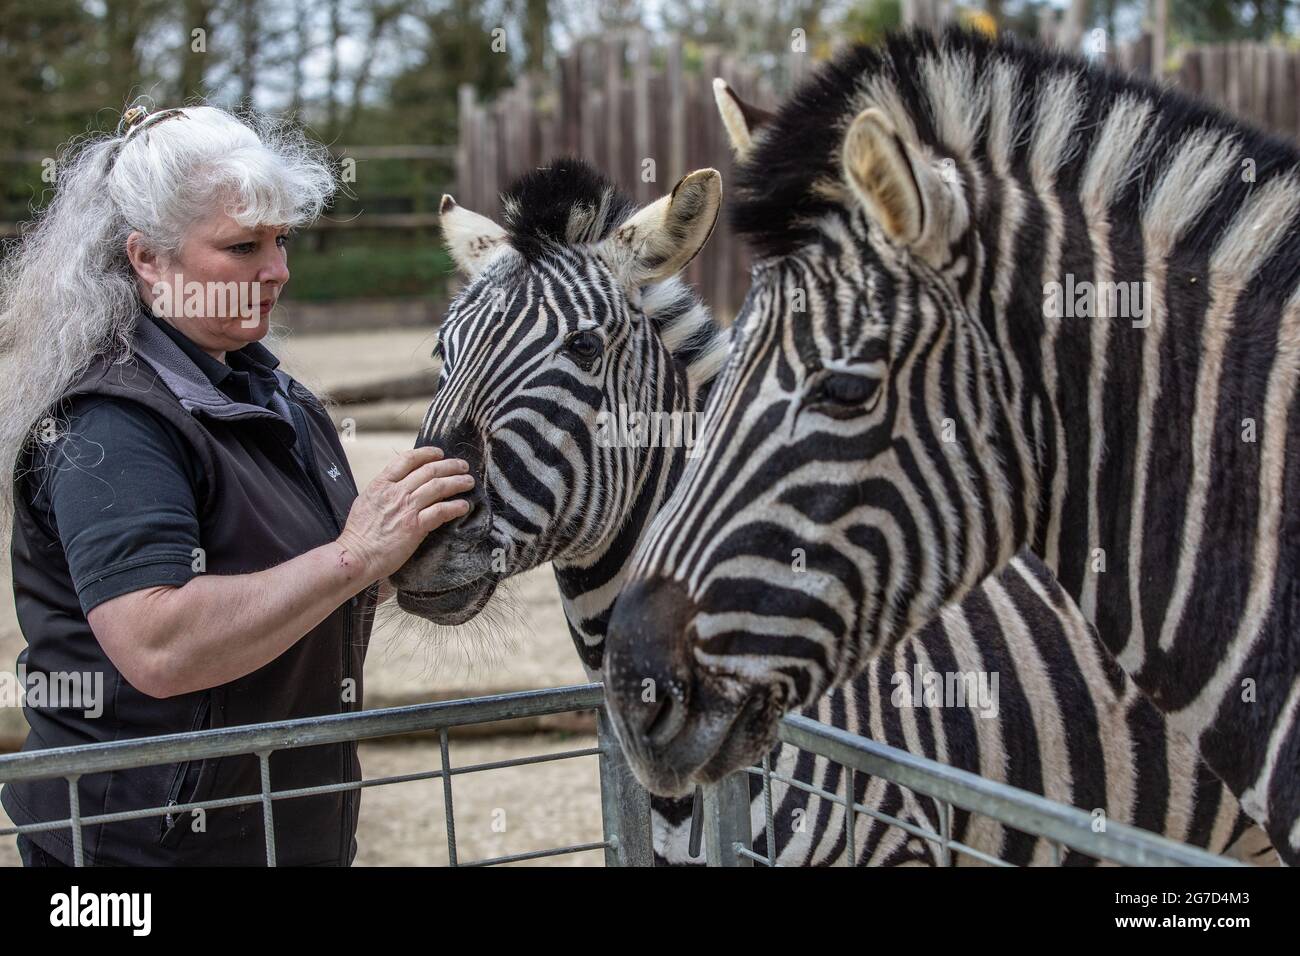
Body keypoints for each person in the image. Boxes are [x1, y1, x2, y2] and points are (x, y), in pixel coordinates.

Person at [0, 104, 472, 865]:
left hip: (272, 832)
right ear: (147, 259)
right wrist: (355, 555)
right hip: (139, 857)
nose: (278, 268)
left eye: (281, 240)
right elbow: (160, 643)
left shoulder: (265, 389)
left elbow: (310, 583)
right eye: (242, 245)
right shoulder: (109, 422)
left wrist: (406, 541)